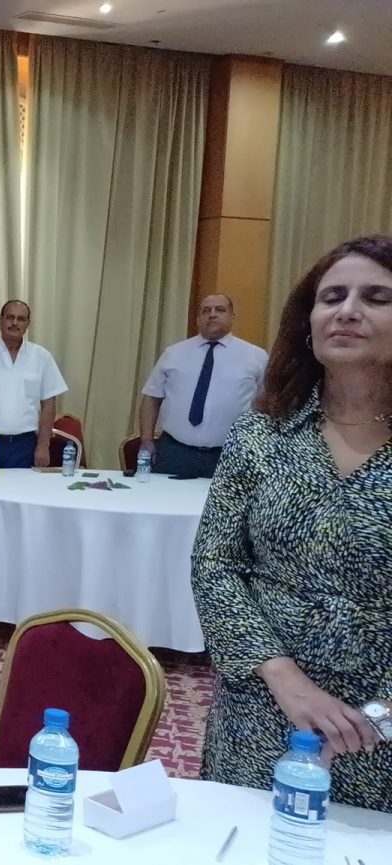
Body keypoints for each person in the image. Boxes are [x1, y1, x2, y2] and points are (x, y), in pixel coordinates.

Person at [191, 235, 392, 814]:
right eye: (332, 297)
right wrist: (284, 678)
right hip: (263, 705)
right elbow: (214, 566)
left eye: (376, 298)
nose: (347, 310)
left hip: (376, 729)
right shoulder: (261, 434)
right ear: (308, 322)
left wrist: (378, 716)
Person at [139, 294, 268, 478]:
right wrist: (146, 441)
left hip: (230, 454)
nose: (212, 315)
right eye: (206, 311)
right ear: (198, 319)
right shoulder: (174, 353)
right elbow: (151, 398)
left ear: (232, 316)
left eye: (220, 310)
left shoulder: (256, 357)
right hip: (175, 452)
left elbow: (266, 406)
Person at [0, 300, 67, 468]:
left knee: (24, 486)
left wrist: (43, 446)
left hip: (26, 446)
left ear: (28, 324)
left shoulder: (42, 357)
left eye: (21, 319)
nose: (15, 323)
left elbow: (48, 405)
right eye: (9, 317)